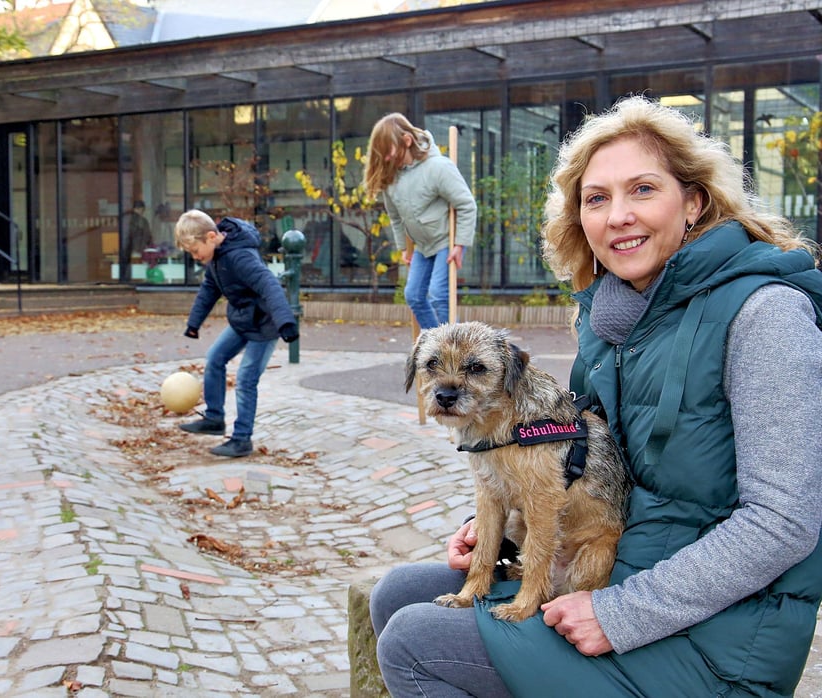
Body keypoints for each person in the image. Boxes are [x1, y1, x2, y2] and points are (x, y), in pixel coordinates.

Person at [369, 95, 822, 697]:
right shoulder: (610, 319)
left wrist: (623, 612)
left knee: (414, 642)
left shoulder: (765, 314)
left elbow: (785, 522)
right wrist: (501, 529)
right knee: (397, 592)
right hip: (622, 563)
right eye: (596, 198)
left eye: (642, 190)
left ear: (694, 202)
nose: (617, 217)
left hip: (716, 637)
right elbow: (578, 459)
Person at [174, 210, 298, 458]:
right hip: (243, 319)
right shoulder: (217, 258)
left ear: (211, 237)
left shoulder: (240, 256)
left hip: (265, 325)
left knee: (246, 379)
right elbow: (209, 289)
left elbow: (268, 283)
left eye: (195, 250)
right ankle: (214, 418)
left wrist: (286, 321)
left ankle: (241, 439)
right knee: (215, 358)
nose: (196, 257)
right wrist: (194, 323)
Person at [364, 113, 476, 329]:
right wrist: (404, 249)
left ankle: (455, 348)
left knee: (438, 296)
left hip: (445, 242)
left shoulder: (438, 167)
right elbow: (396, 218)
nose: (386, 158)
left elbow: (466, 204)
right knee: (414, 295)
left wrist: (460, 245)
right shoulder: (392, 178)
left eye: (389, 151)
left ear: (406, 141)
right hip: (422, 247)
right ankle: (434, 345)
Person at [122, 199, 152, 283]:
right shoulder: (141, 221)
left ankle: (127, 280)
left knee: (129, 266)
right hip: (137, 248)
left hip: (130, 248)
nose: (142, 211)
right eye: (141, 209)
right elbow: (147, 235)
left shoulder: (128, 220)